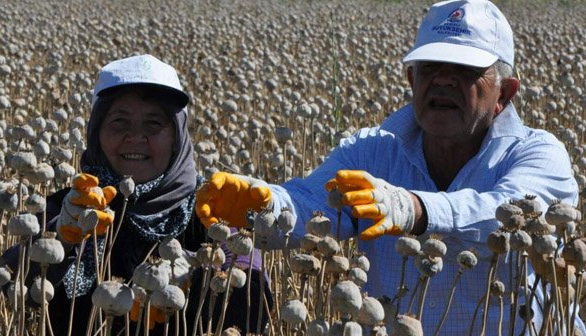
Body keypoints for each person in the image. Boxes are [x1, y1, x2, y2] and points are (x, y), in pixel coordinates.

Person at [196, 1, 583, 335]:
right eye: (430, 67)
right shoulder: (372, 151)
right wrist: (265, 205)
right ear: (411, 79)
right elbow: (315, 204)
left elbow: (505, 215)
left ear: (505, 93)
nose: (443, 81)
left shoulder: (538, 154)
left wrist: (414, 209)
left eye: (464, 71)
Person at [1, 54, 271, 335]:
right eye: (119, 121)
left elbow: (254, 305)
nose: (135, 136)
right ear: (97, 131)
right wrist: (61, 240)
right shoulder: (72, 205)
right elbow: (9, 289)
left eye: (154, 124)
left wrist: (197, 272)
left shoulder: (212, 207)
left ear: (177, 136)